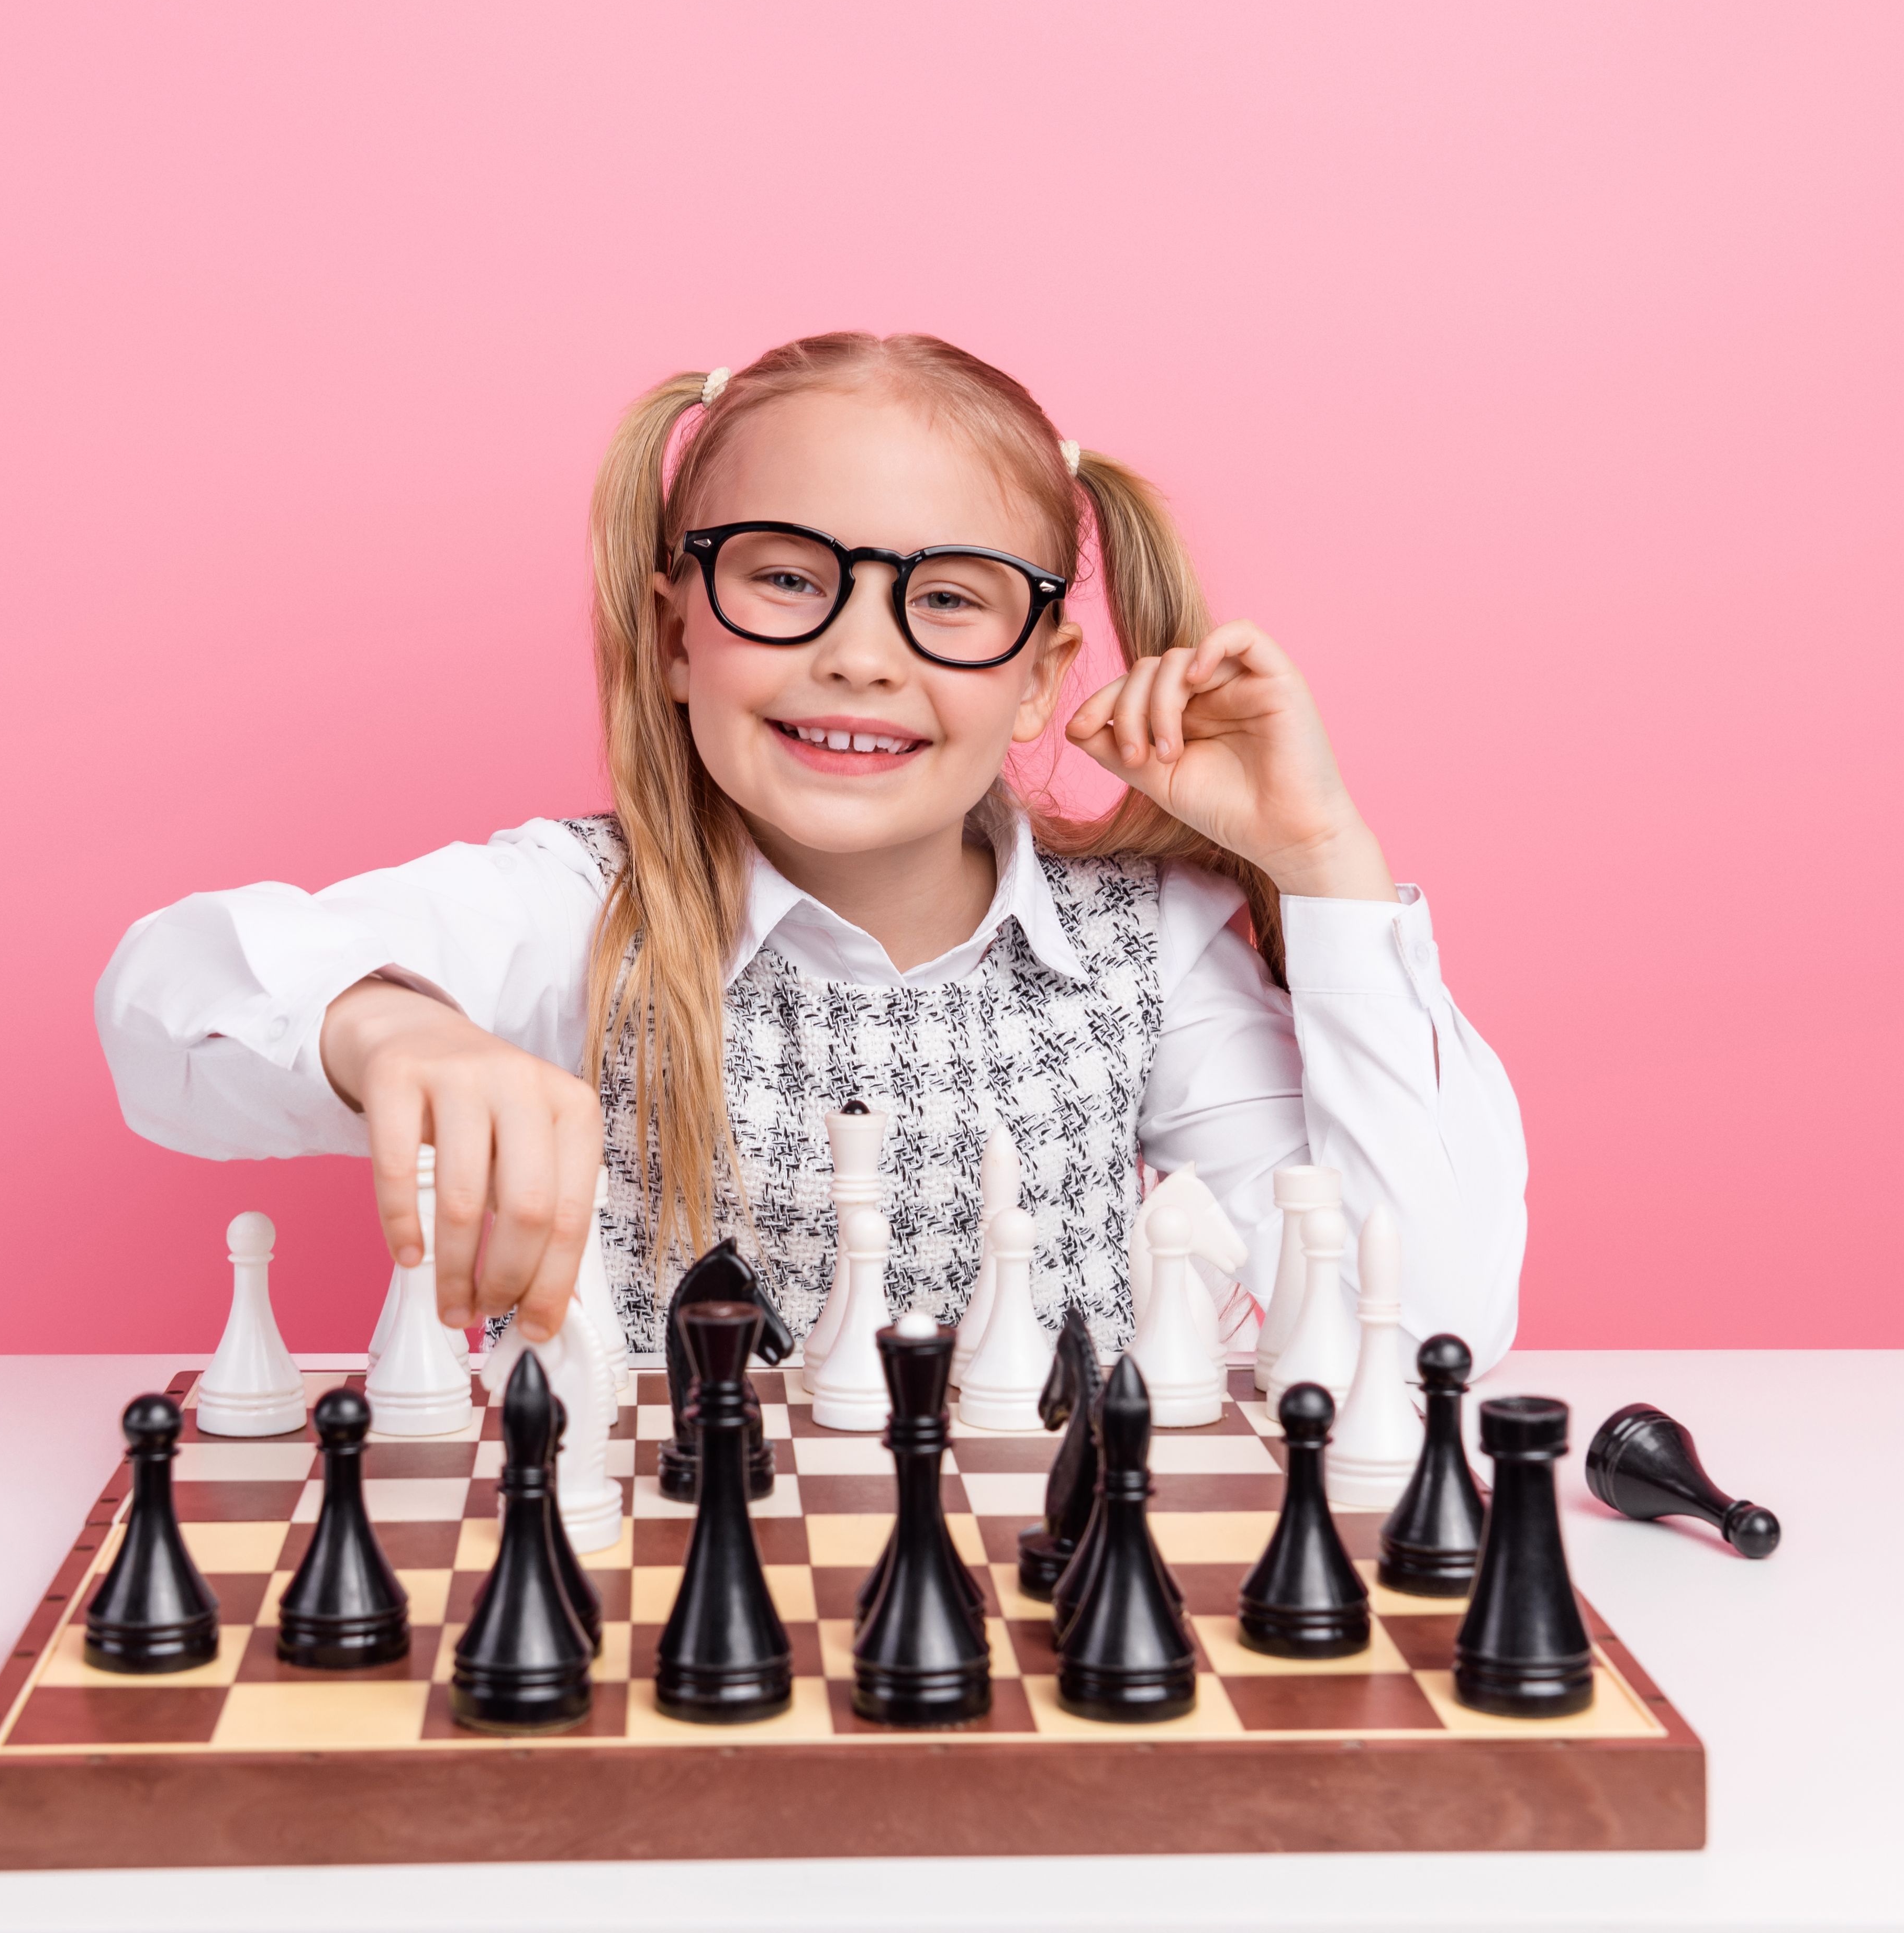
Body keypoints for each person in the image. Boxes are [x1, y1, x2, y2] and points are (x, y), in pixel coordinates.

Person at [95, 331, 1527, 1369]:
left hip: (1034, 1638)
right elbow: (165, 1013)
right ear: (674, 632)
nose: (859, 656)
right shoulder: (572, 915)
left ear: (1040, 678)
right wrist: (389, 1026)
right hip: (652, 1633)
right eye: (787, 577)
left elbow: (1434, 1331)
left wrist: (1326, 862)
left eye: (951, 601)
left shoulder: (1148, 949)